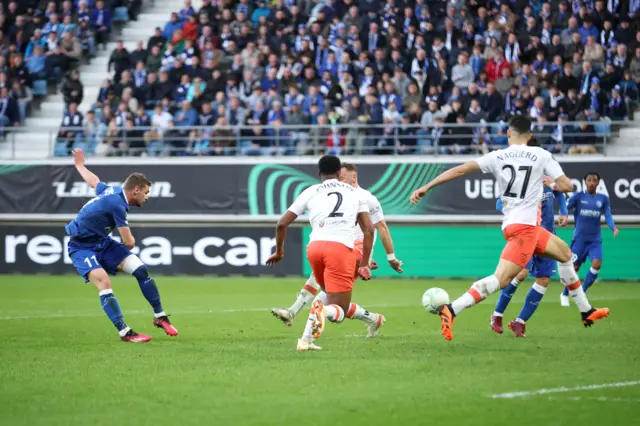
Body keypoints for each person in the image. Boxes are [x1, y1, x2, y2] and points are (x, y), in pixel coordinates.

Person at [409, 116, 610, 341]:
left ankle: (586, 311)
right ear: (530, 135)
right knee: (501, 279)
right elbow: (567, 186)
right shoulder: (542, 155)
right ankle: (452, 309)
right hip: (526, 230)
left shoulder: (498, 156)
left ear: (508, 134)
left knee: (564, 254)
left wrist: (427, 186)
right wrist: (551, 184)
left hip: (519, 226)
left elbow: (461, 170)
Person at [270, 162, 403, 337]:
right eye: (338, 173)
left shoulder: (366, 197)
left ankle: (296, 318)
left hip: (353, 249)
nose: (339, 177)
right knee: (331, 301)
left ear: (353, 176)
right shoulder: (335, 193)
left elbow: (380, 228)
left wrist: (387, 257)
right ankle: (373, 319)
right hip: (340, 247)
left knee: (327, 300)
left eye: (343, 174)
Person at [65, 149, 178, 342]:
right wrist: (130, 242)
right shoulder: (117, 204)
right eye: (146, 192)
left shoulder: (113, 191)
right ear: (136, 190)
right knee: (104, 282)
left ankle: (160, 316)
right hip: (82, 247)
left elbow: (94, 182)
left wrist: (79, 166)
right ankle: (125, 332)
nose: (147, 197)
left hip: (103, 242)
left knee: (141, 270)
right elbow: (128, 242)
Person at [266, 155, 375, 351]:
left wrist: (279, 252)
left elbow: (282, 223)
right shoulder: (355, 193)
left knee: (325, 292)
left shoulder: (310, 191)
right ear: (340, 173)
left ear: (319, 173)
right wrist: (365, 263)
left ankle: (306, 341)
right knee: (339, 309)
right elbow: (369, 229)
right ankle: (321, 311)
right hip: (340, 248)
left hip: (314, 248)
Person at [490, 164, 569, 338]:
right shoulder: (518, 182)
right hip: (526, 235)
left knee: (544, 279)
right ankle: (497, 315)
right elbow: (498, 204)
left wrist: (564, 212)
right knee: (521, 274)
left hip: (546, 238)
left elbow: (560, 194)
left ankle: (519, 322)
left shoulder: (547, 180)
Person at [560, 172, 619, 307]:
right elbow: (565, 206)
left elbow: (608, 215)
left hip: (595, 240)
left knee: (597, 263)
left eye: (594, 181)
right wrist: (563, 216)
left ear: (598, 183)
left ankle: (582, 292)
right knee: (574, 268)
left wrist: (613, 227)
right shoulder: (578, 197)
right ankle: (564, 293)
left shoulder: (603, 199)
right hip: (580, 239)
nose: (592, 183)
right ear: (585, 182)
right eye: (589, 180)